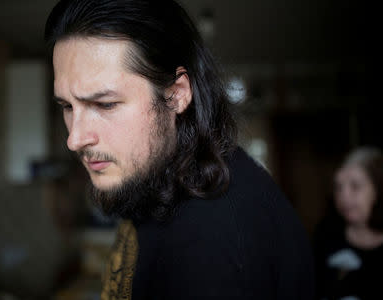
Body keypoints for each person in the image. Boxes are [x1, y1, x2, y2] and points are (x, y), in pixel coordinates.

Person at [44, 0, 314, 299]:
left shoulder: (216, 243)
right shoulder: (154, 177)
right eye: (68, 106)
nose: (75, 139)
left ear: (176, 95)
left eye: (105, 104)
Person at [314, 147, 383, 300]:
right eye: (338, 187)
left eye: (355, 186)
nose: (343, 196)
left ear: (377, 190)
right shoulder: (326, 235)